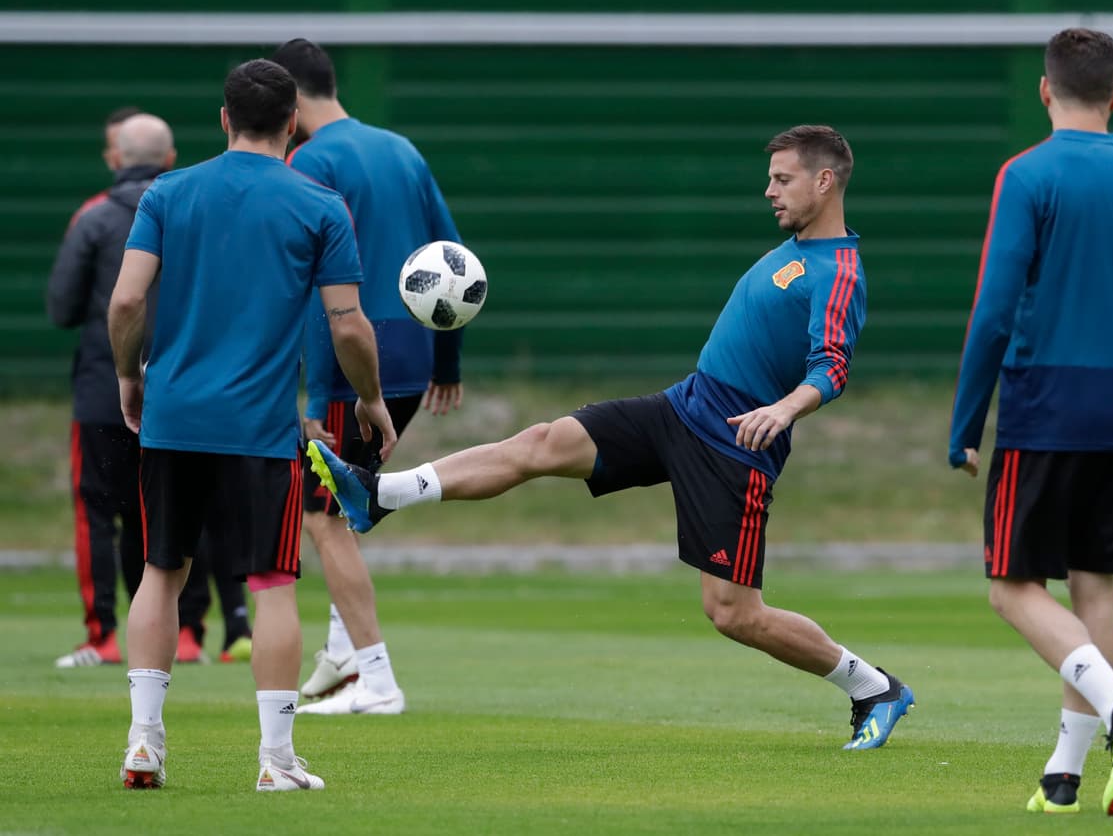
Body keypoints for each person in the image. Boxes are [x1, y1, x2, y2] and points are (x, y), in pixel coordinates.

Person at [310, 124, 917, 750]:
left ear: (825, 181)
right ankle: (379, 493)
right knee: (542, 443)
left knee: (734, 613)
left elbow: (832, 367)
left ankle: (873, 687)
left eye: (782, 179)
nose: (769, 191)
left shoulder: (839, 269)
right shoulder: (794, 249)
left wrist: (785, 410)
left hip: (734, 443)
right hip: (685, 407)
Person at [107, 59, 396, 791]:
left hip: (172, 420)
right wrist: (370, 400)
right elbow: (350, 325)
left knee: (160, 572)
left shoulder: (168, 193)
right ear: (293, 121)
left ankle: (144, 742)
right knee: (270, 585)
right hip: (261, 431)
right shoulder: (320, 204)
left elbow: (126, 304)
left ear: (224, 118)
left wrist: (129, 377)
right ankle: (276, 759)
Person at [948, 28, 1113, 816]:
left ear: (1044, 90)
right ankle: (1064, 778)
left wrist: (966, 420)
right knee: (1094, 588)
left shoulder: (1026, 174)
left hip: (1044, 406)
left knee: (1011, 587)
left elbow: (993, 309)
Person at [270, 38, 466, 715]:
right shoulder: (400, 148)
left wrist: (321, 393)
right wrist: (447, 359)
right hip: (412, 357)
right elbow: (453, 256)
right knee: (346, 513)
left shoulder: (309, 160)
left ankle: (376, 680)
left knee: (324, 520)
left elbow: (322, 291)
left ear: (289, 103)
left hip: (355, 367)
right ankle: (344, 662)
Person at [46, 113, 254, 669]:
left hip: (101, 391)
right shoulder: (197, 208)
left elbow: (62, 307)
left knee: (97, 511)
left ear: (114, 158)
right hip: (183, 388)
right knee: (185, 510)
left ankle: (104, 636)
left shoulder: (92, 218)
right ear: (169, 157)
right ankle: (187, 634)